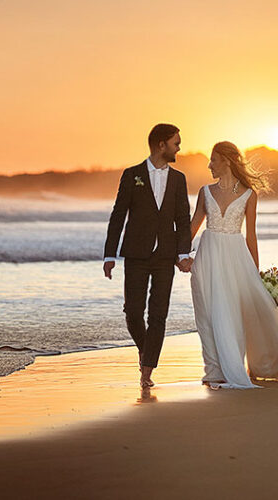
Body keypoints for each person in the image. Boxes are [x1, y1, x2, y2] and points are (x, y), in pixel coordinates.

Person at [186, 141, 278, 389]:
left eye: (213, 159)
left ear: (226, 160)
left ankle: (235, 365)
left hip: (236, 258)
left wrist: (254, 273)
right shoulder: (205, 192)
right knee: (207, 313)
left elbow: (251, 236)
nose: (209, 165)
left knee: (233, 313)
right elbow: (193, 226)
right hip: (207, 257)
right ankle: (214, 370)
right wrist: (180, 254)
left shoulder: (249, 194)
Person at [103, 124, 194, 389]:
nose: (179, 147)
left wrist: (182, 253)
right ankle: (146, 350)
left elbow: (183, 219)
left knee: (158, 315)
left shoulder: (179, 179)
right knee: (133, 312)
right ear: (161, 144)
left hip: (166, 256)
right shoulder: (132, 175)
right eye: (176, 143)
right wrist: (110, 253)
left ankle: (147, 371)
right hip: (136, 254)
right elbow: (118, 215)